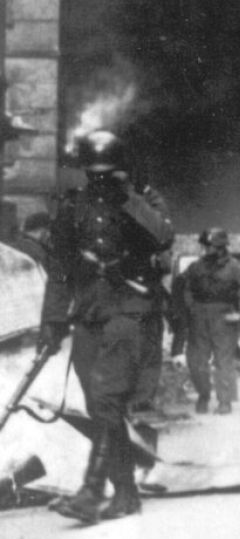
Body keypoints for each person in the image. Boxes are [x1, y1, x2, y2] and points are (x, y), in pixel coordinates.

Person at [38, 130, 175, 523]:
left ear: (121, 168)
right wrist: (52, 320)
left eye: (107, 172)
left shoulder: (143, 200)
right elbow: (60, 270)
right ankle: (126, 493)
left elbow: (163, 236)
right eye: (93, 173)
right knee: (100, 408)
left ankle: (91, 491)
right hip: (90, 314)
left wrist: (127, 198)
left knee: (106, 398)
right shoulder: (73, 207)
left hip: (131, 311)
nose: (99, 179)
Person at [173, 227, 240, 415]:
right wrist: (190, 307)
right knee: (196, 361)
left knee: (224, 361)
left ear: (221, 248)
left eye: (209, 247)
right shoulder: (196, 266)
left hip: (224, 318)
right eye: (205, 246)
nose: (205, 251)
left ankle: (225, 401)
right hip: (199, 317)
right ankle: (203, 395)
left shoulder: (235, 267)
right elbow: (185, 287)